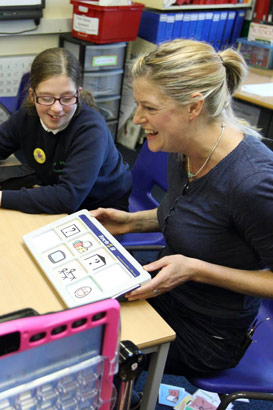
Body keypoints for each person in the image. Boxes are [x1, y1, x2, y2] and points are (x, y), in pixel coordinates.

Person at [91, 38, 273, 379]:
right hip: (169, 289)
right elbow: (197, 215)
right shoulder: (183, 146)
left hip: (210, 333)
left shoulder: (254, 182)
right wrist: (131, 222)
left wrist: (196, 269)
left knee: (90, 349)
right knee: (77, 314)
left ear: (193, 107)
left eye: (149, 107)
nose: (137, 118)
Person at [0, 47, 132, 214]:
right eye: (46, 98)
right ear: (32, 96)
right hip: (54, 194)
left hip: (99, 211)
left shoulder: (91, 129)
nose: (56, 108)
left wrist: (1, 198)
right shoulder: (28, 115)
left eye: (67, 98)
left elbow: (67, 198)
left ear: (78, 93)